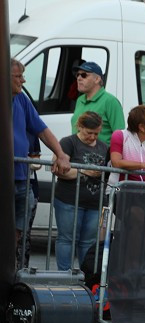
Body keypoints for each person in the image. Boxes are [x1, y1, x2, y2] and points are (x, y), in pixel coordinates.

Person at [11, 59, 71, 267]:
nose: (23, 80)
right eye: (18, 76)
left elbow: (42, 129)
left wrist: (61, 154)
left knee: (17, 235)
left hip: (22, 180)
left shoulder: (21, 100)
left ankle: (10, 278)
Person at [53, 111, 108, 271]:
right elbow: (58, 170)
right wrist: (85, 171)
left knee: (88, 242)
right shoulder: (68, 142)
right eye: (89, 133)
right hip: (68, 200)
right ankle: (64, 276)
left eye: (96, 133)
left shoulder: (104, 147)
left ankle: (86, 276)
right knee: (67, 239)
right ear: (80, 127)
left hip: (95, 203)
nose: (93, 137)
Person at [70, 60, 124, 139]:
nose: (79, 78)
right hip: (77, 151)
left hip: (101, 151)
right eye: (77, 75)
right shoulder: (80, 100)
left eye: (84, 75)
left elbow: (120, 136)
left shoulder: (110, 101)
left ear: (97, 79)